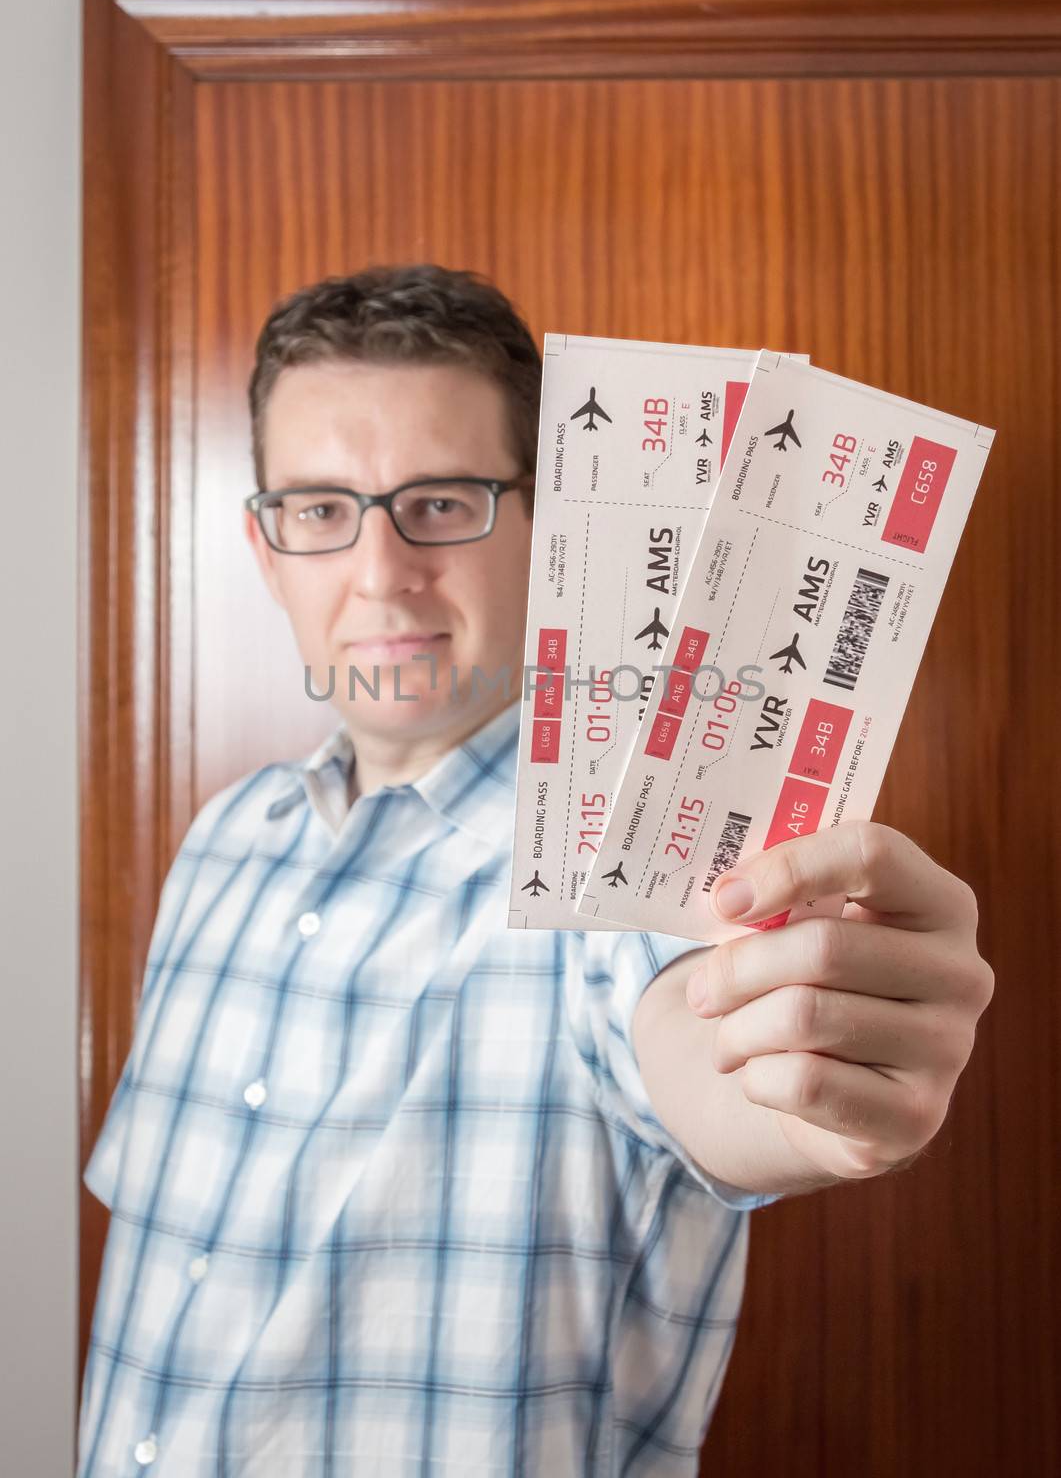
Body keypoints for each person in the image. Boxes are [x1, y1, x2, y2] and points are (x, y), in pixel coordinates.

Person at [77, 265, 994, 1476]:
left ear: (550, 518)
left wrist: (822, 1084)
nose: (379, 573)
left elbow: (702, 1052)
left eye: (441, 503)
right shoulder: (223, 840)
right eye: (319, 509)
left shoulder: (627, 873)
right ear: (266, 543)